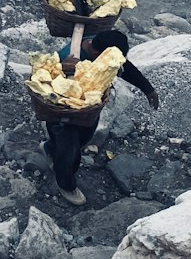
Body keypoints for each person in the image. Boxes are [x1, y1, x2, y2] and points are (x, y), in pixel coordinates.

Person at [44, 29, 160, 205]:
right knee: (69, 150)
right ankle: (66, 185)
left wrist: (148, 89)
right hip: (63, 112)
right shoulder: (67, 57)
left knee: (83, 138)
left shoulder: (99, 45)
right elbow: (47, 85)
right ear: (98, 54)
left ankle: (49, 149)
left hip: (88, 110)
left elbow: (125, 68)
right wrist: (63, 70)